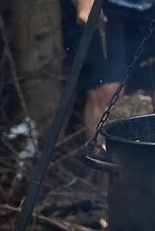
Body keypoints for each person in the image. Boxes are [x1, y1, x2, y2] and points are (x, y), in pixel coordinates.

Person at [62, 0, 155, 141]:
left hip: (149, 8)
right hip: (104, 5)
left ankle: (143, 156)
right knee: (106, 91)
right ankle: (101, 156)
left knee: (148, 92)